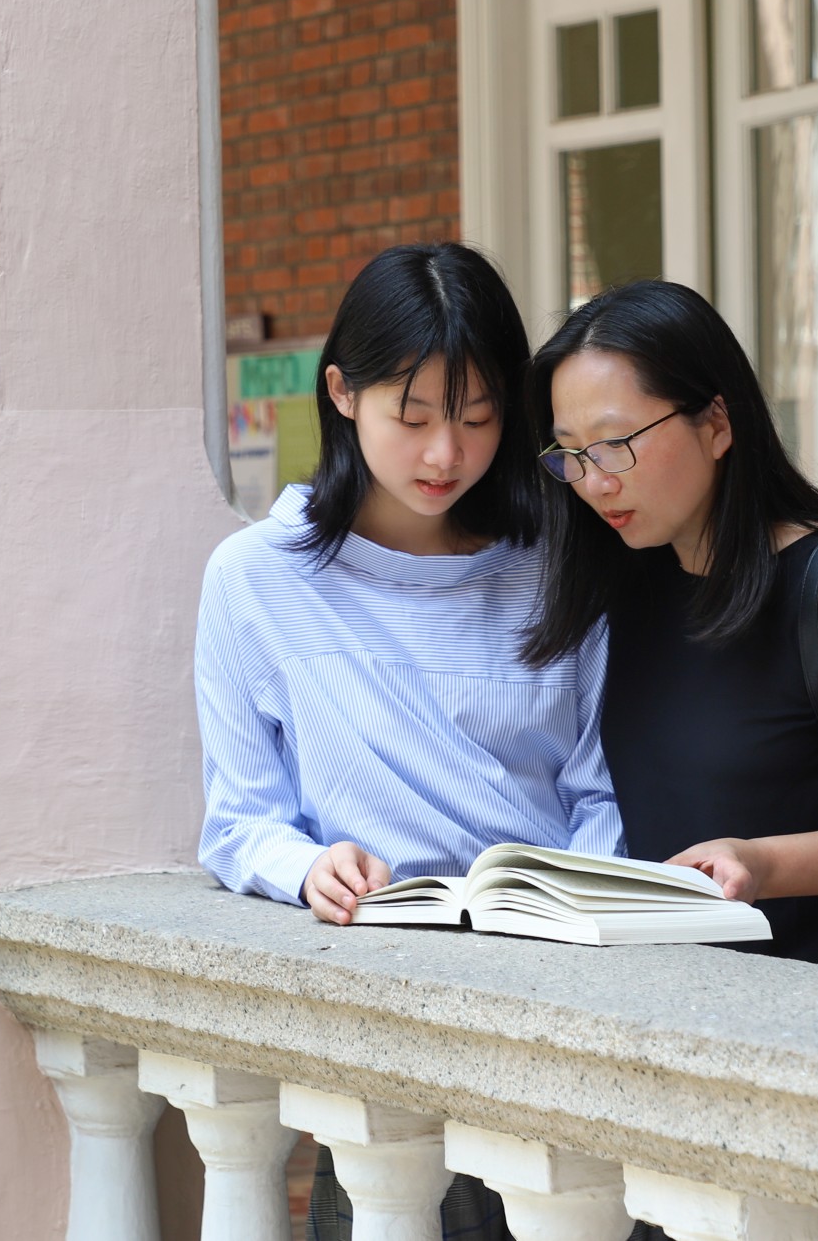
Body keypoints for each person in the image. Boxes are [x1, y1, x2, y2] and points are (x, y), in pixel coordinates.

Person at [195, 242, 622, 1240]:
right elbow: (238, 820)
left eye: (477, 420)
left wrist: (572, 910)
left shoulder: (560, 561)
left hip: (554, 1016)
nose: (444, 455)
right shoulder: (255, 578)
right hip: (383, 1026)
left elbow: (598, 787)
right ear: (341, 393)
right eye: (413, 415)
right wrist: (307, 868)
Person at [521, 280, 818, 980]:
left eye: (616, 444)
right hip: (681, 1001)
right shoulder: (626, 588)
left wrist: (763, 861)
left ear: (716, 423)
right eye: (570, 454)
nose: (593, 482)